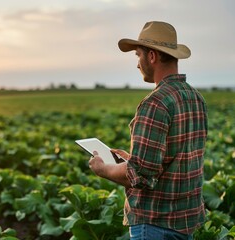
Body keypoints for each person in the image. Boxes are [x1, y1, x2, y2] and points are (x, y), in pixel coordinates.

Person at [89, 21, 208, 240]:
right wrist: (133, 159)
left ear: (152, 56)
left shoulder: (155, 103)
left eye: (138, 55)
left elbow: (140, 175)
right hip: (185, 224)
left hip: (154, 225)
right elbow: (172, 160)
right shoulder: (196, 98)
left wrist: (103, 169)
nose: (137, 64)